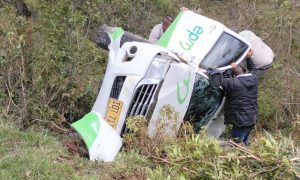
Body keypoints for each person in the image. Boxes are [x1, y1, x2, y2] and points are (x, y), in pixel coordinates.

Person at [208, 49, 259, 145]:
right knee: (244, 141)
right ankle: (246, 148)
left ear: (233, 73)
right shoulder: (254, 78)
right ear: (244, 70)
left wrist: (226, 69)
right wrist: (248, 58)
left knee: (235, 144)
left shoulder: (233, 83)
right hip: (252, 118)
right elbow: (253, 69)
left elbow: (217, 78)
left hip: (241, 122)